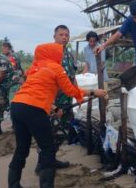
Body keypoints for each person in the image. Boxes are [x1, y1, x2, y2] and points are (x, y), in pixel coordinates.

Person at [8, 43, 107, 188]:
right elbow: (71, 90)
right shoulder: (56, 68)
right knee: (47, 148)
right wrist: (93, 92)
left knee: (22, 148)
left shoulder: (34, 68)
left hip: (17, 106)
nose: (61, 57)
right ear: (53, 54)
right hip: (34, 109)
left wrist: (52, 107)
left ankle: (13, 185)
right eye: (59, 54)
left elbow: (34, 90)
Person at [34, 25, 77, 174]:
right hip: (52, 103)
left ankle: (51, 160)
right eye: (61, 35)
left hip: (66, 103)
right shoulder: (48, 54)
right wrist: (51, 104)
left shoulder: (69, 55)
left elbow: (72, 77)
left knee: (61, 133)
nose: (64, 37)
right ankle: (41, 164)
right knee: (48, 133)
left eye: (66, 34)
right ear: (54, 36)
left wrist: (77, 95)